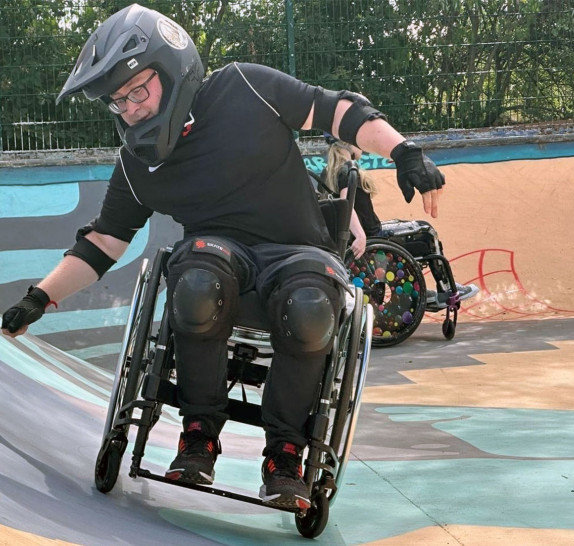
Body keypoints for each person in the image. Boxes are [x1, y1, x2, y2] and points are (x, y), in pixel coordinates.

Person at [0, 4, 444, 511]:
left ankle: (285, 454)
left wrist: (404, 150)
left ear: (173, 71)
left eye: (137, 91)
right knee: (194, 282)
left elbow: (336, 110)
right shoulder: (137, 162)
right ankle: (198, 436)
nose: (130, 109)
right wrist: (39, 298)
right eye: (118, 101)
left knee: (311, 306)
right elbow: (103, 241)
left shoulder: (244, 86)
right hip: (215, 257)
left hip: (298, 251)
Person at [323, 136, 478, 306]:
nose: (362, 147)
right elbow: (347, 205)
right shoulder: (348, 169)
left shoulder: (328, 172)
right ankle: (446, 289)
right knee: (426, 231)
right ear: (349, 143)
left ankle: (422, 293)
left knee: (408, 226)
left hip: (367, 235)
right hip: (374, 236)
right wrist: (360, 235)